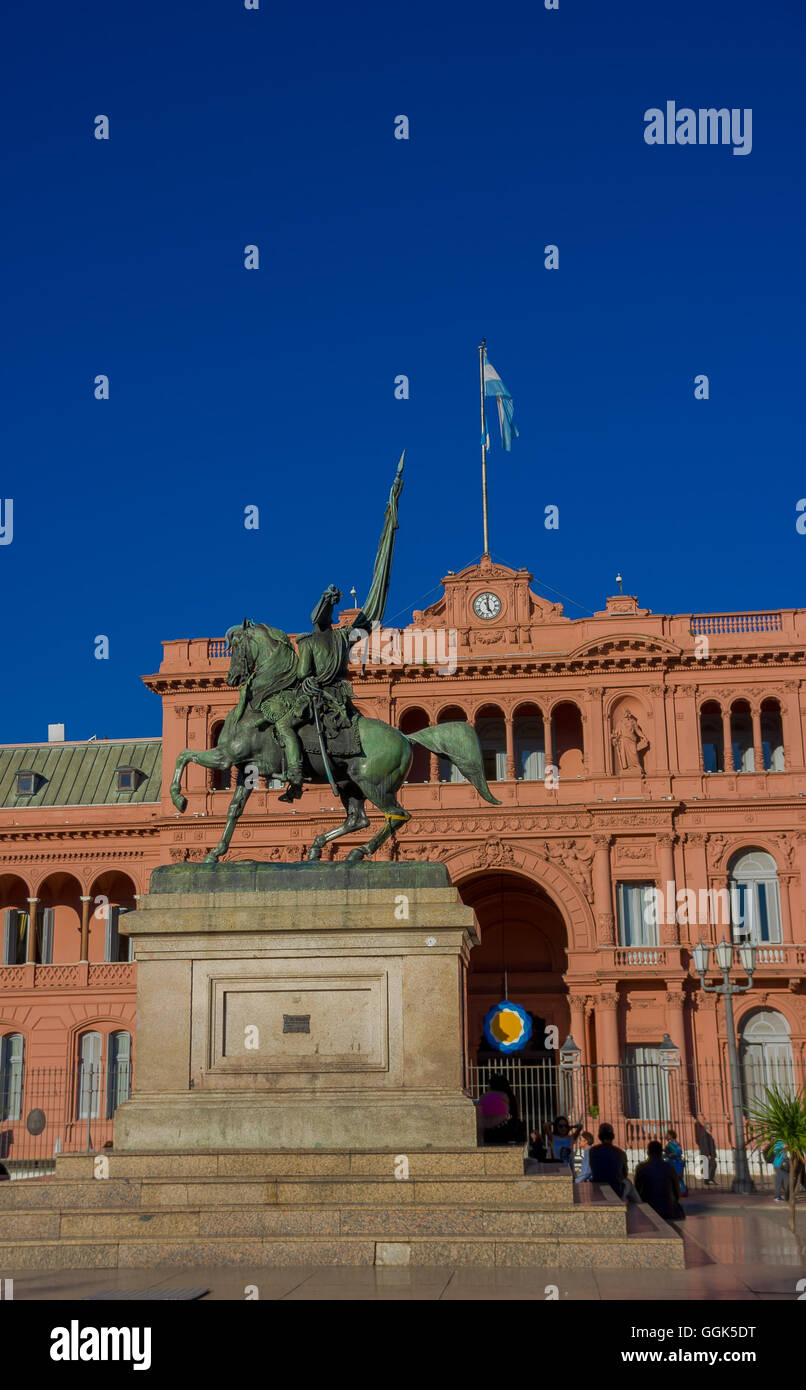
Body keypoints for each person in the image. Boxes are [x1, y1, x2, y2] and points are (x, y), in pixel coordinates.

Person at [635, 1140, 685, 1220]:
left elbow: (637, 1191)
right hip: (668, 1209)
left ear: (648, 1153)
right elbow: (677, 1191)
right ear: (661, 1153)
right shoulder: (669, 1168)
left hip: (649, 1208)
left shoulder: (641, 1168)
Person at [589, 1122, 630, 1198]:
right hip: (616, 1189)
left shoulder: (593, 1151)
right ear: (613, 1136)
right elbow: (624, 1174)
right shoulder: (620, 1153)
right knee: (629, 1183)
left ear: (599, 1136)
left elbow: (593, 1168)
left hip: (598, 1188)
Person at [664, 1128, 687, 1195]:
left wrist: (673, 1154)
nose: (666, 1136)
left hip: (676, 1162)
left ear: (671, 1136)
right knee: (671, 1177)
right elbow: (666, 1154)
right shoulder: (669, 1144)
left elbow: (679, 1152)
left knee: (678, 1177)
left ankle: (683, 1190)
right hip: (670, 1162)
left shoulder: (675, 1143)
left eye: (667, 1135)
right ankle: (674, 1191)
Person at [696, 1118, 718, 1185]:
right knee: (712, 1165)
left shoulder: (707, 1134)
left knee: (709, 1166)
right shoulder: (705, 1135)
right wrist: (708, 1154)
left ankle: (708, 1180)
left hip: (709, 1154)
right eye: (711, 1127)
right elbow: (705, 1145)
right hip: (708, 1154)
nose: (712, 1129)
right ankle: (709, 1179)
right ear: (707, 1128)